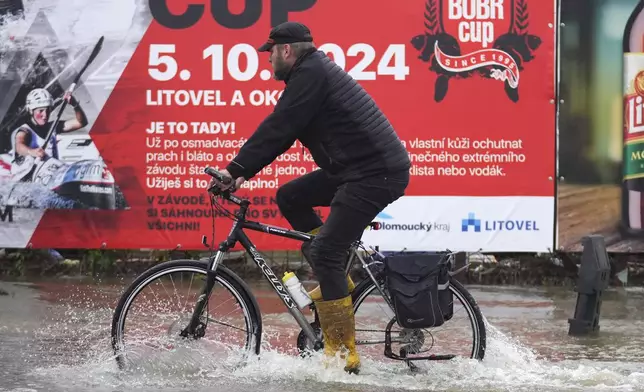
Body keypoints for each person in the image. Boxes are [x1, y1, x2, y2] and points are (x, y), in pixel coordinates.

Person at [210, 21, 411, 374]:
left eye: (270, 52)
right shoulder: (311, 74)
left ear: (286, 50)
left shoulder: (311, 74)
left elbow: (279, 127)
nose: (268, 60)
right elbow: (282, 133)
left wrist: (234, 169)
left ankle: (341, 355)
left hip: (374, 173)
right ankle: (339, 286)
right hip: (355, 169)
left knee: (326, 252)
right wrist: (241, 171)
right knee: (290, 197)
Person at [9, 87, 88, 181]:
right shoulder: (25, 131)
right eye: (40, 111)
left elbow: (81, 122)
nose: (45, 115)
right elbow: (19, 146)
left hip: (52, 172)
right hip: (31, 177)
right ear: (31, 111)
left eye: (48, 110)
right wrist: (32, 151)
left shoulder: (53, 126)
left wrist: (75, 105)